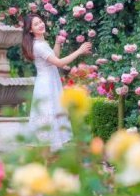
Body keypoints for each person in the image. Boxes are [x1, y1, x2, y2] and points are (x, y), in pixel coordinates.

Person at [21, 13, 92, 151]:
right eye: (36, 24)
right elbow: (59, 63)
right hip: (46, 85)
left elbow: (54, 57)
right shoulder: (38, 46)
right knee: (48, 117)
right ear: (30, 30)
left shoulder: (42, 43)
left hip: (50, 82)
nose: (41, 25)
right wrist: (79, 51)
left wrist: (57, 43)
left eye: (40, 22)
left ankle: (49, 158)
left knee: (53, 115)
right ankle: (44, 157)